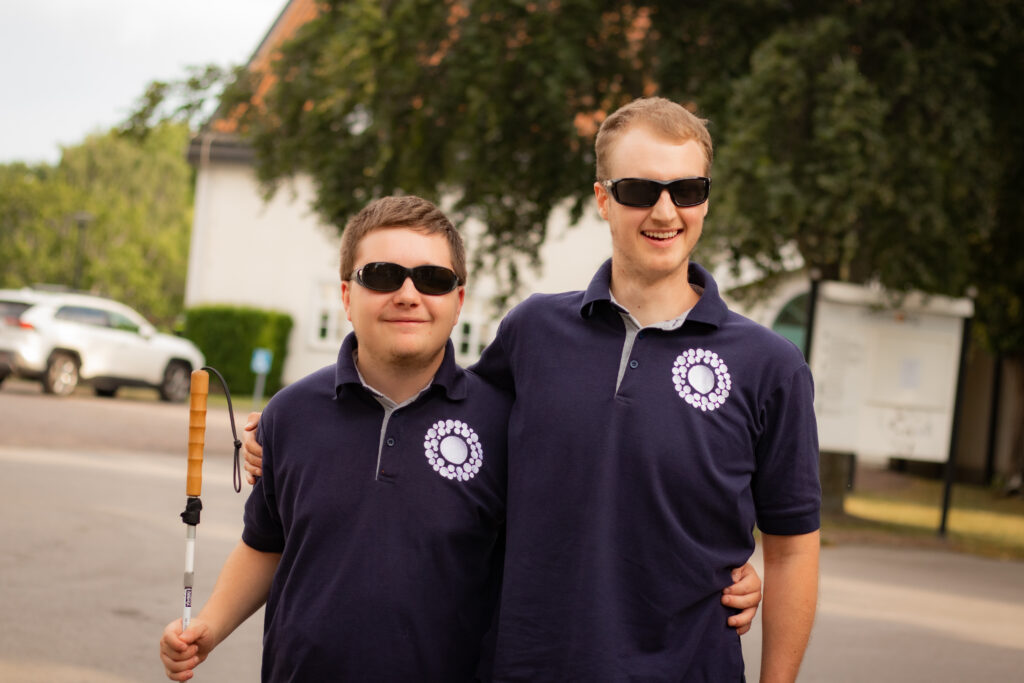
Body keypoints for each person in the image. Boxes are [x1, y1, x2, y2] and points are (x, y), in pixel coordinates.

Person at [243, 97, 806, 680]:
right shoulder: (534, 332)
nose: (665, 210)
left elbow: (792, 548)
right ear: (603, 199)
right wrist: (288, 429)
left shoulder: (770, 366)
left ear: (705, 198)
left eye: (687, 189)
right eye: (640, 189)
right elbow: (433, 408)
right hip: (528, 665)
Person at [160, 196, 514, 681]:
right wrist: (209, 625)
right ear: (346, 297)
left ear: (459, 301)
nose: (409, 295)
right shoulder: (290, 414)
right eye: (383, 276)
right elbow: (267, 544)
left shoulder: (505, 425)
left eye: (432, 279)